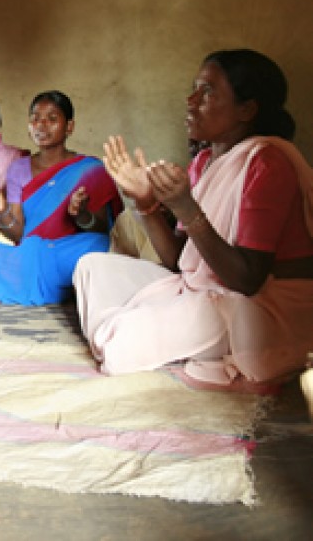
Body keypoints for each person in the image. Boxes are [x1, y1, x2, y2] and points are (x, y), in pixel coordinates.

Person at [74, 49, 313, 387]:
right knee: (91, 268)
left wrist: (186, 206)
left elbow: (247, 281)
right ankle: (176, 335)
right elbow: (180, 261)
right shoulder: (203, 162)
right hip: (206, 292)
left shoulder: (267, 162)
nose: (190, 100)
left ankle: (167, 334)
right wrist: (145, 203)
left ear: (247, 109)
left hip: (260, 307)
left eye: (208, 91)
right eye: (194, 88)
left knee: (118, 346)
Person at [0, 90, 123, 305]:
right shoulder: (18, 168)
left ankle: (25, 279)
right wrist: (1, 206)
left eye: (52, 119)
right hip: (30, 250)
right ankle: (60, 284)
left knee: (98, 245)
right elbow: (18, 234)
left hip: (68, 249)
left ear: (69, 126)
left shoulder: (91, 169)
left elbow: (103, 229)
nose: (41, 125)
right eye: (35, 119)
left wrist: (82, 215)